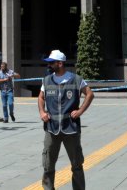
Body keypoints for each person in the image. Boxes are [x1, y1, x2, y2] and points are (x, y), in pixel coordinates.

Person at [38, 49, 93, 190]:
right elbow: (41, 97)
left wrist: (80, 111)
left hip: (71, 129)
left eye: (51, 62)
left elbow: (89, 94)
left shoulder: (76, 79)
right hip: (51, 128)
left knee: (76, 165)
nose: (49, 65)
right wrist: (42, 111)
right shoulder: (47, 80)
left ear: (60, 63)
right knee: (48, 165)